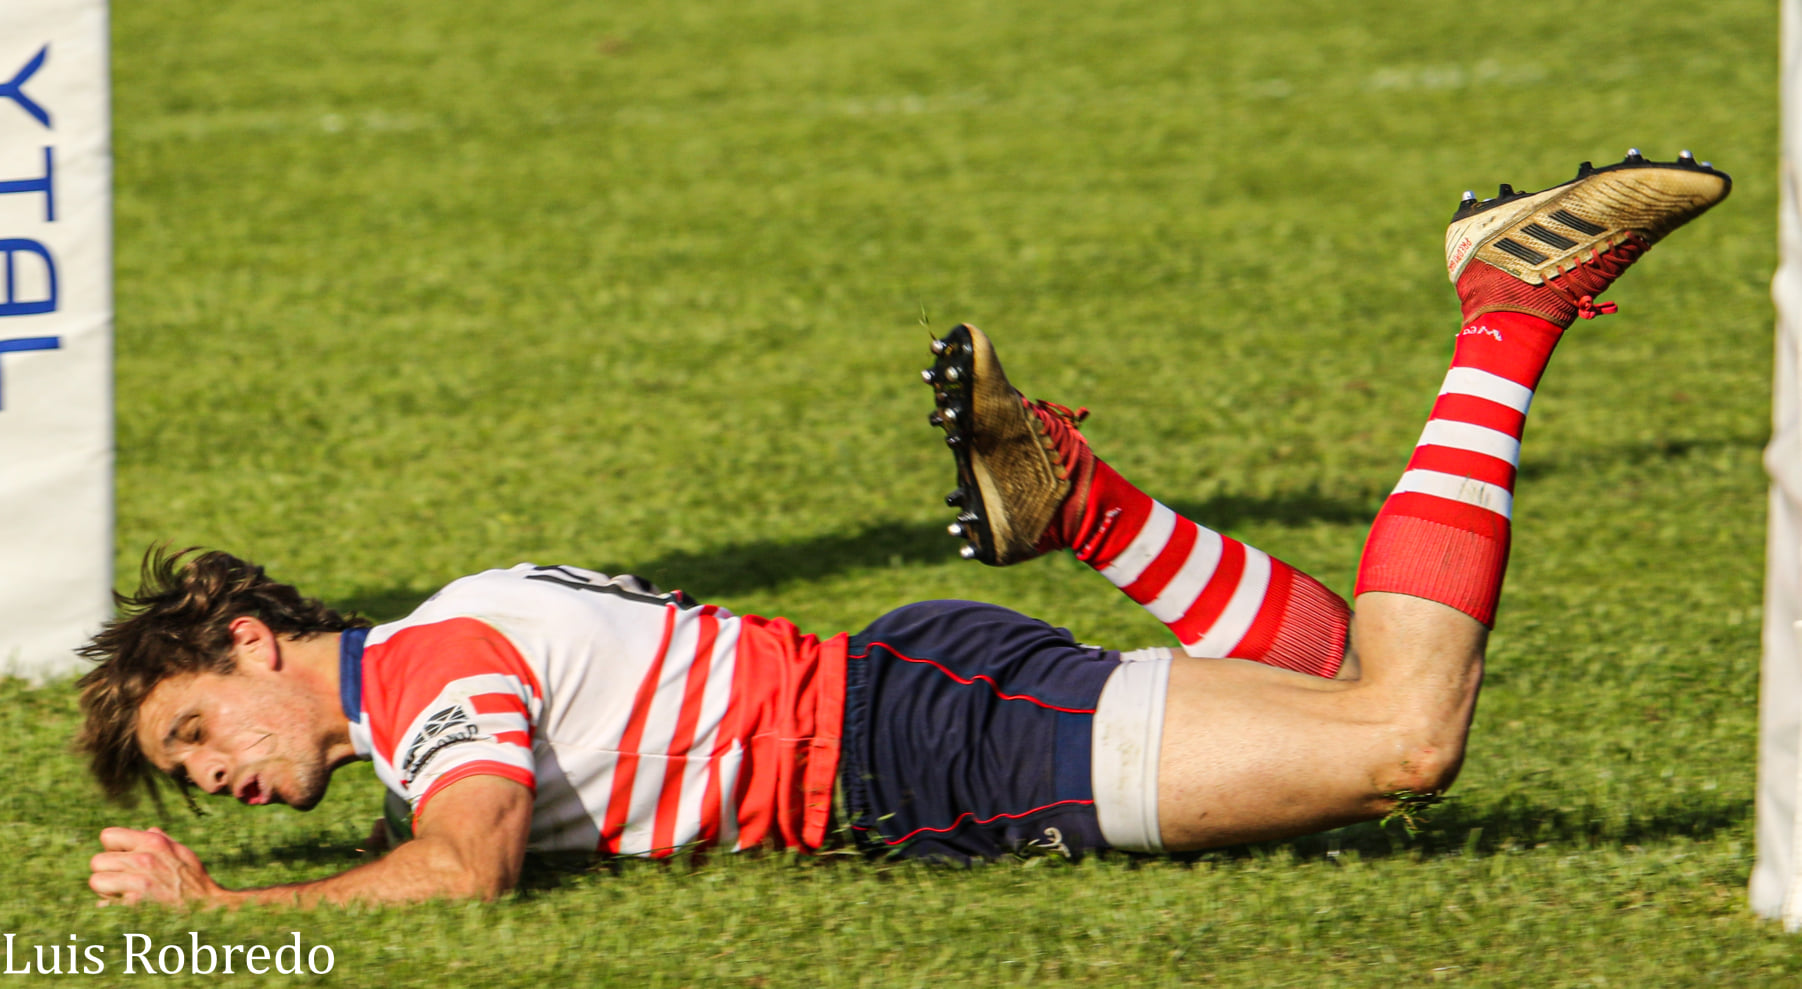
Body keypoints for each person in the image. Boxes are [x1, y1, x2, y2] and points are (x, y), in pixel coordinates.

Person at [79, 151, 1730, 907]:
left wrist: (224, 923)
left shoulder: (426, 671)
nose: (214, 771)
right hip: (924, 706)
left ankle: (1507, 310)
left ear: (250, 642)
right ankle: (1084, 506)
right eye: (188, 771)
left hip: (933, 744)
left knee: (1399, 736)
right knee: (1355, 685)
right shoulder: (440, 637)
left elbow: (467, 864)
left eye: (197, 727)